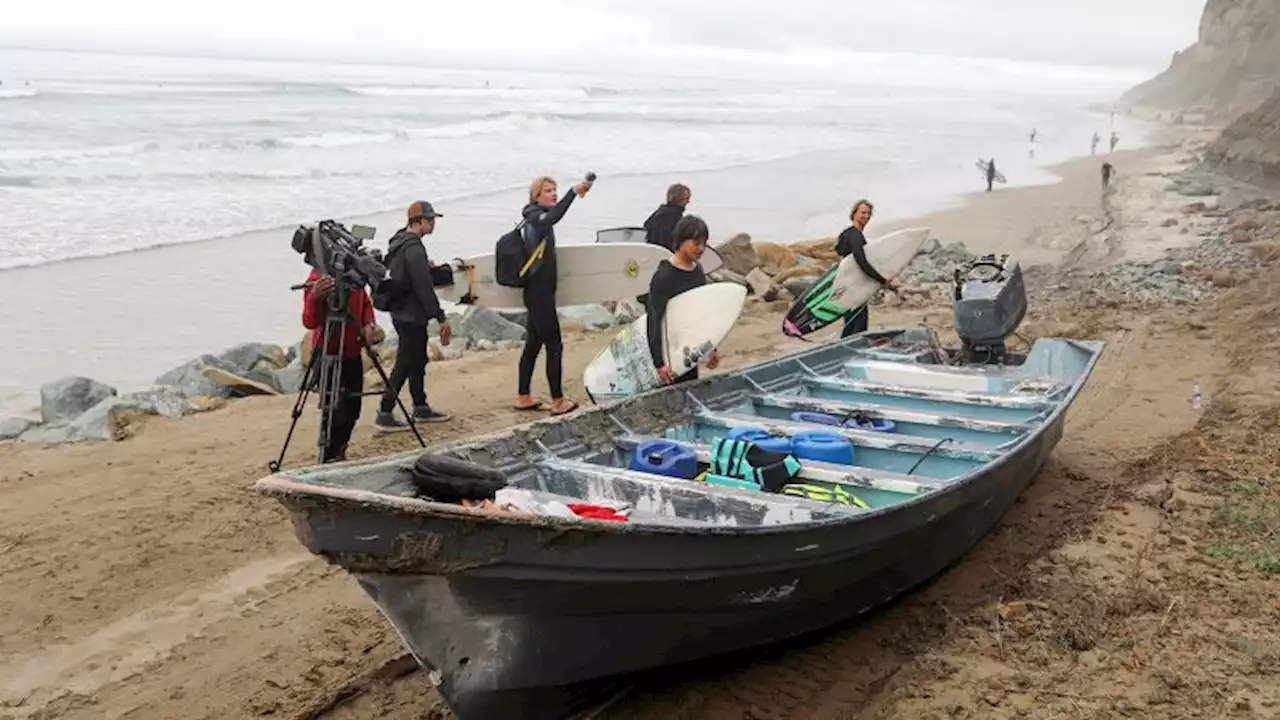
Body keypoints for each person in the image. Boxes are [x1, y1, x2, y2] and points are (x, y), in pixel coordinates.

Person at [514, 174, 594, 415]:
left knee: (533, 345)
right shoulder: (537, 218)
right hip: (539, 295)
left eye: (555, 190)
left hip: (538, 293)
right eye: (548, 191)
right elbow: (554, 216)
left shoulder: (533, 218)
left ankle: (523, 395)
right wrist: (573, 193)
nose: (554, 194)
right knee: (555, 346)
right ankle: (558, 401)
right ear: (537, 196)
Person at [375, 200, 452, 432]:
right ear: (417, 222)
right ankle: (385, 411)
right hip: (411, 314)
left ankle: (420, 407)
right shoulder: (415, 249)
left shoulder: (399, 240)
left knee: (418, 360)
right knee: (406, 362)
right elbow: (423, 288)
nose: (433, 224)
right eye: (429, 220)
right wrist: (440, 317)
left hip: (400, 312)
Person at [301, 270, 378, 463]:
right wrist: (314, 297)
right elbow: (309, 321)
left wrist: (369, 322)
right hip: (328, 350)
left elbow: (365, 302)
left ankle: (340, 449)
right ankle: (329, 454)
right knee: (334, 409)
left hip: (352, 350)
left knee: (353, 407)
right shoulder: (319, 275)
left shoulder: (354, 273)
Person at [647, 215, 721, 386]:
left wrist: (711, 348)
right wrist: (658, 363)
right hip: (669, 352)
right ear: (681, 240)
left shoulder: (698, 271)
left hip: (688, 350)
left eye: (704, 243)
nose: (701, 248)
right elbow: (654, 321)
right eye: (696, 243)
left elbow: (702, 312)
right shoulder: (664, 276)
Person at [835, 199, 899, 339]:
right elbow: (862, 262)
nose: (866, 216)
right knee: (859, 327)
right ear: (854, 213)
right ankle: (850, 354)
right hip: (855, 288)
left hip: (847, 286)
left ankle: (842, 352)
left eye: (869, 213)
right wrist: (882, 280)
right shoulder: (856, 236)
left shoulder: (846, 233)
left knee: (850, 324)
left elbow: (840, 251)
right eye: (863, 212)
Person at [643, 183, 691, 251]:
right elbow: (667, 241)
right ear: (678, 198)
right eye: (687, 198)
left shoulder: (660, 211)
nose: (688, 201)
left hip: (652, 250)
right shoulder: (672, 216)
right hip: (664, 253)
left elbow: (646, 225)